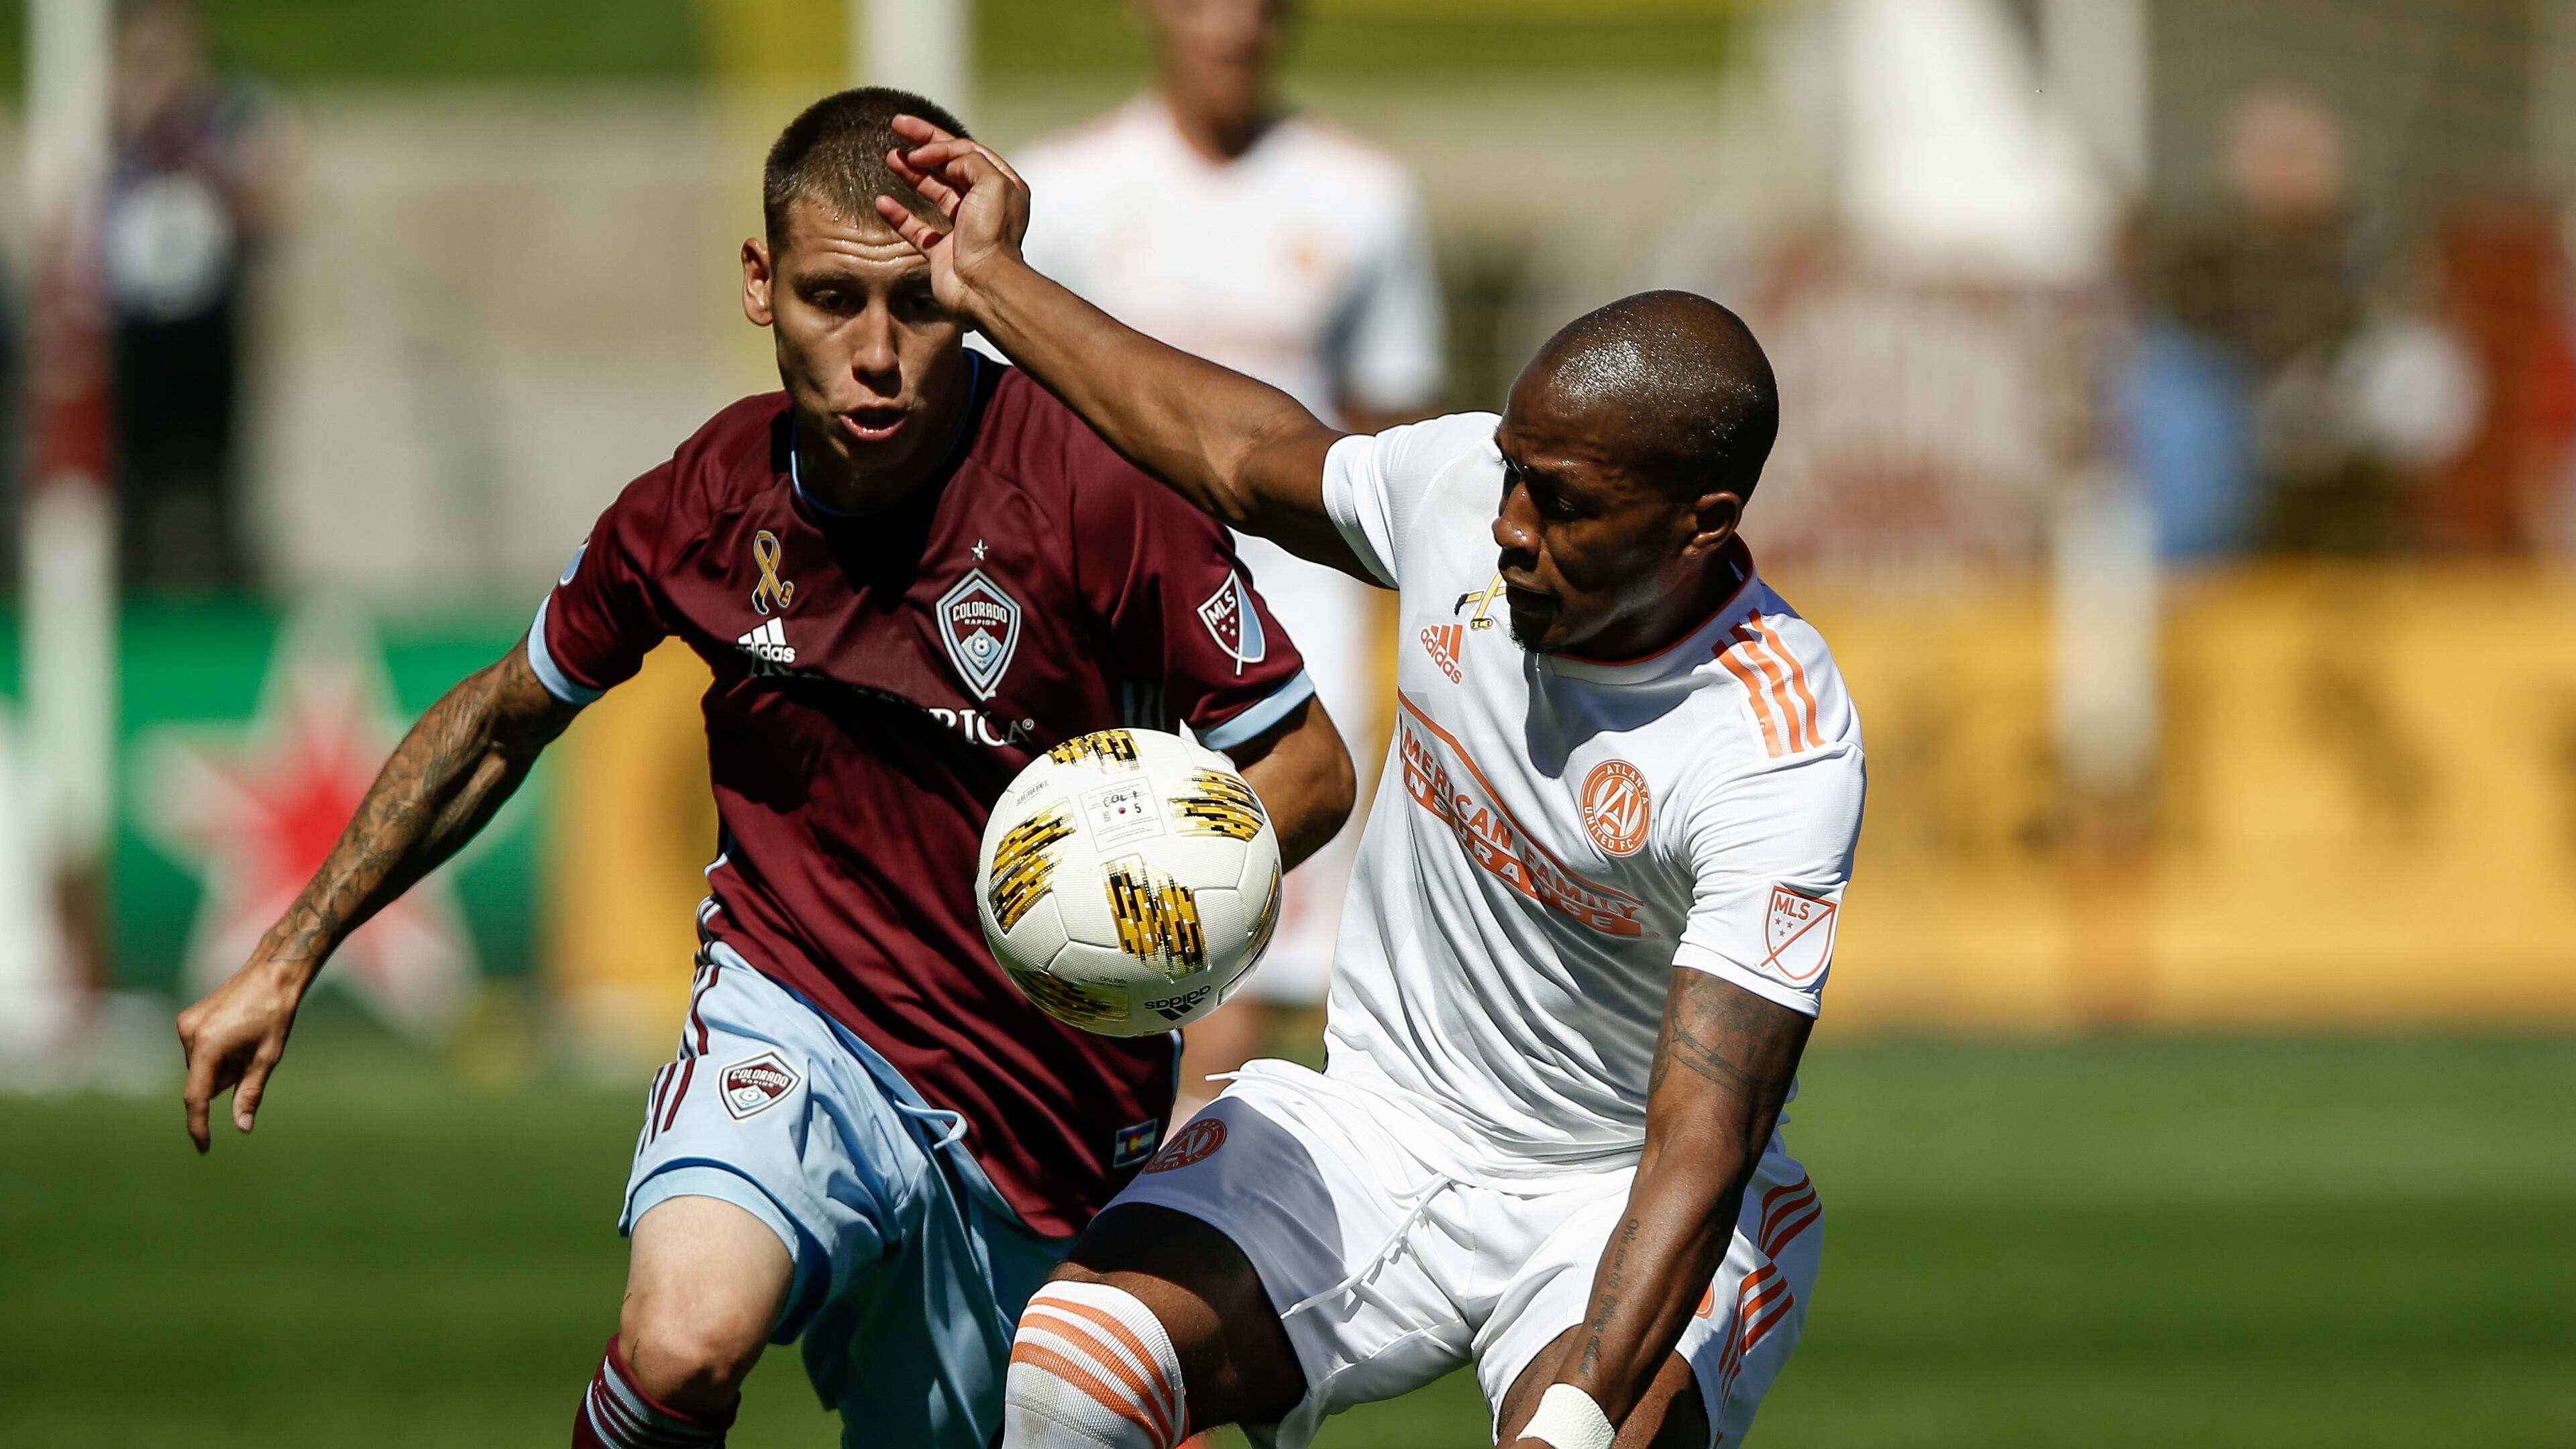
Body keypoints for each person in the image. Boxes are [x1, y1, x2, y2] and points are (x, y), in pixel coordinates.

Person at [172, 89, 1356, 1449]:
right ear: (759, 286)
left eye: (919, 303)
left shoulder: (1094, 489)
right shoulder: (704, 504)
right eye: (829, 298)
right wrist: (291, 949)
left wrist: (1133, 900)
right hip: (798, 1013)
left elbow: (1309, 769)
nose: (875, 355)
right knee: (682, 1345)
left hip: (1046, 1108)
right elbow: (505, 720)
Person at [878, 120, 1866, 1449]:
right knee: (1072, 1371)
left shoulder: (1777, 743)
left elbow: (1707, 1132)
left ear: (1703, 525)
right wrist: (993, 279)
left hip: (1613, 1190)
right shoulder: (1464, 494)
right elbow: (1233, 448)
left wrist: (1578, 1416)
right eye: (1516, 476)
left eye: (1564, 505)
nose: (1511, 529)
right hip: (1376, 1124)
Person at [1010, 0, 1445, 1105]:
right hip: (1099, 611)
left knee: (1222, 950)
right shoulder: (1061, 191)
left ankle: (1162, 1245)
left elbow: (1392, 441)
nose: (1234, 26)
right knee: (1083, 935)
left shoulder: (1363, 198)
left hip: (1292, 628)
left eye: (1260, 4)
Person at [107, 0, 292, 588]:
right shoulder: (102, 123)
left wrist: (199, 147)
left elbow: (267, 203)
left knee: (217, 475)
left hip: (207, 323)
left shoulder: (227, 117)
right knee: (128, 478)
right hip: (129, 327)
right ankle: (129, 592)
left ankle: (224, 587)